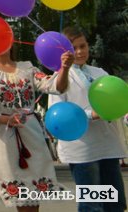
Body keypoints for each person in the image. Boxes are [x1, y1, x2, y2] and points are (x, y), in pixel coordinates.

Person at [0, 44, 74, 210]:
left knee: (35, 189)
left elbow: (54, 86)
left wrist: (65, 68)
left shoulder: (27, 67)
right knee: (19, 193)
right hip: (3, 136)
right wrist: (5, 119)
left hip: (31, 133)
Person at [49, 27, 126, 212]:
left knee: (114, 204)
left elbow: (117, 101)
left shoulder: (100, 73)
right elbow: (57, 115)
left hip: (107, 146)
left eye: (82, 46)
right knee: (92, 206)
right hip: (83, 151)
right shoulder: (60, 78)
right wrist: (92, 114)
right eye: (74, 48)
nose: (80, 52)